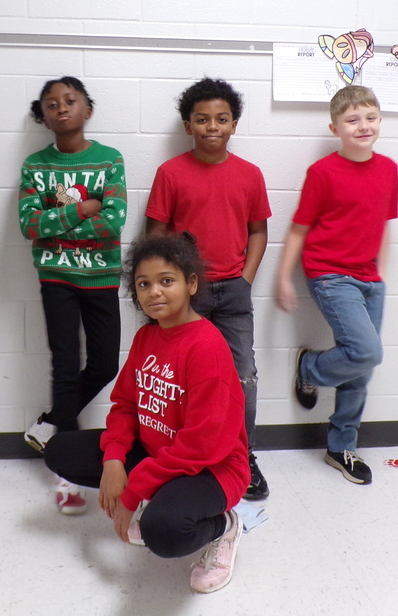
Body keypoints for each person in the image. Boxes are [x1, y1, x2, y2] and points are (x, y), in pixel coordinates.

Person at [44, 233, 249, 594]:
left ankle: (225, 526)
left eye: (166, 281)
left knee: (164, 533)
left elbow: (201, 447)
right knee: (60, 450)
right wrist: (113, 460)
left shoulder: (207, 347)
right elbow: (124, 404)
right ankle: (163, 493)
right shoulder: (147, 338)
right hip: (162, 455)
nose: (154, 291)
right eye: (144, 284)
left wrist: (132, 492)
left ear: (191, 284)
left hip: (213, 469)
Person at [144, 78, 272, 500]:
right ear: (188, 125)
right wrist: (169, 290)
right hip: (187, 299)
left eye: (221, 119)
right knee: (187, 382)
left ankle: (244, 458)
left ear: (234, 124)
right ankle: (183, 458)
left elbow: (258, 232)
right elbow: (155, 237)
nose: (212, 126)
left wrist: (246, 278)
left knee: (242, 377)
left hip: (234, 292)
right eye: (202, 119)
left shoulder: (250, 175)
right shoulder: (170, 173)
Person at [275, 85, 398, 485]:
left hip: (369, 278)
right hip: (329, 274)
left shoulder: (389, 169)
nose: (363, 126)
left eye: (370, 117)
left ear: (380, 120)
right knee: (367, 351)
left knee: (361, 370)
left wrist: (380, 273)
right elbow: (299, 229)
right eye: (352, 120)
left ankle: (340, 446)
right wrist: (283, 277)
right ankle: (310, 367)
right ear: (335, 128)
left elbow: (384, 225)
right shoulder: (323, 173)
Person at [18, 76, 127, 514]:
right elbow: (30, 226)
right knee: (64, 367)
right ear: (41, 116)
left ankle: (50, 423)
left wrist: (56, 220)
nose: (61, 108)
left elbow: (114, 222)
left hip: (101, 277)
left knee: (105, 363)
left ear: (88, 109)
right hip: (56, 278)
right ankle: (66, 476)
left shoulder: (110, 159)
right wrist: (82, 208)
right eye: (51, 104)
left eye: (70, 101)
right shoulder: (35, 165)